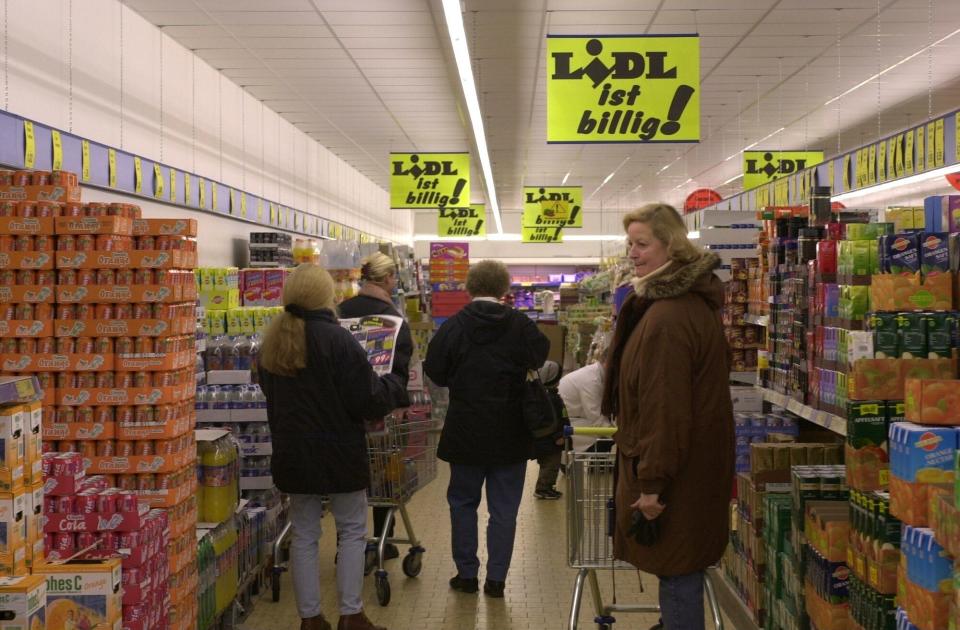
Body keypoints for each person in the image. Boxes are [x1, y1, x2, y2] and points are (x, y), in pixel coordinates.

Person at [601, 203, 734, 630]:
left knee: (678, 573)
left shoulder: (669, 318)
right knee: (679, 566)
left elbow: (665, 407)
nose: (633, 253)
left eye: (642, 244)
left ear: (672, 247)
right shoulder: (679, 306)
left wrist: (652, 484)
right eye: (630, 244)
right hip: (692, 466)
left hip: (677, 473)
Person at [258, 263, 406, 630]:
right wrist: (393, 387)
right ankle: (351, 614)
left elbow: (270, 393)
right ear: (327, 296)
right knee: (353, 530)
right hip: (339, 451)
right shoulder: (338, 340)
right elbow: (367, 399)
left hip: (293, 453)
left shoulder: (272, 342)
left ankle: (310, 619)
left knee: (305, 534)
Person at [424, 259, 550, 598]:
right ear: (504, 289)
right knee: (504, 508)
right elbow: (539, 356)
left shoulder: (453, 326)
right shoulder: (521, 324)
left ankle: (466, 574)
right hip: (511, 430)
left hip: (465, 429)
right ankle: (496, 579)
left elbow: (434, 369)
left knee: (463, 503)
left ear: (469, 287)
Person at [339, 251, 413, 562]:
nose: (395, 282)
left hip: (343, 408)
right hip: (382, 406)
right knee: (384, 474)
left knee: (347, 476)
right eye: (394, 277)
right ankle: (385, 537)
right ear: (385, 279)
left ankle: (348, 543)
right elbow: (401, 367)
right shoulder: (394, 317)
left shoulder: (340, 311)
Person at [558, 347, 614, 454]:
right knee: (605, 440)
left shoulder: (596, 374)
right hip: (568, 424)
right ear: (608, 362)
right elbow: (596, 418)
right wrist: (619, 436)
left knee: (605, 436)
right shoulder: (591, 380)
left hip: (574, 419)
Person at [532, 360, 568, 500]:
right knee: (550, 465)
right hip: (551, 440)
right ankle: (543, 489)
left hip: (549, 439)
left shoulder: (547, 395)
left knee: (549, 465)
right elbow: (552, 420)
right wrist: (559, 435)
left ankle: (547, 487)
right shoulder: (549, 398)